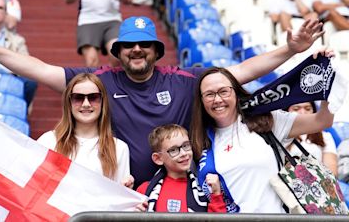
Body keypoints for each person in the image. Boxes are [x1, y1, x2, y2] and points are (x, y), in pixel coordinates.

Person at [0, 15, 325, 188]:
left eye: (144, 44)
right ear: (117, 51)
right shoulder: (98, 82)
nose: (136, 50)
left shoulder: (183, 79)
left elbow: (241, 71)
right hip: (123, 193)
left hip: (182, 192)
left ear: (155, 50)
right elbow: (39, 69)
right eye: (128, 45)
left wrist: (290, 49)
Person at [190, 64, 335, 213]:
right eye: (209, 94)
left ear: (235, 92)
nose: (218, 99)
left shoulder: (267, 121)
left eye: (224, 91)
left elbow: (322, 120)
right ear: (201, 100)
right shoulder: (200, 139)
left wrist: (327, 73)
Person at [37, 73, 133, 187]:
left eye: (93, 98)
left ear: (103, 102)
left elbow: (118, 197)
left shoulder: (119, 148)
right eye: (78, 98)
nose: (86, 104)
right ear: (69, 103)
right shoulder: (48, 141)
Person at [136, 124, 226, 212]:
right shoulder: (145, 190)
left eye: (186, 145)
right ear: (158, 158)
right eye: (174, 150)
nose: (183, 153)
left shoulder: (204, 187)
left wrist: (216, 194)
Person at [63, 0, 133, 67]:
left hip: (113, 20)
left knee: (116, 57)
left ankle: (112, 77)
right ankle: (95, 78)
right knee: (91, 61)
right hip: (87, 21)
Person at [285, 101, 338, 176]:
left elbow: (331, 169)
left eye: (307, 109)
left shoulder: (325, 136)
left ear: (314, 111)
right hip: (283, 184)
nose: (302, 112)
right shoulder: (279, 135)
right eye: (296, 109)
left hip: (316, 184)